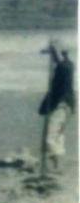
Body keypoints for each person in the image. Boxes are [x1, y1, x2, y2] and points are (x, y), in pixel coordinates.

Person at [39, 39, 76, 173]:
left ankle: (54, 165)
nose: (53, 58)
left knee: (50, 136)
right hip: (67, 105)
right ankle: (56, 165)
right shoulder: (68, 65)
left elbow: (55, 88)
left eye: (54, 55)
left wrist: (44, 106)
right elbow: (59, 64)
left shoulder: (64, 67)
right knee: (58, 135)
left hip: (61, 106)